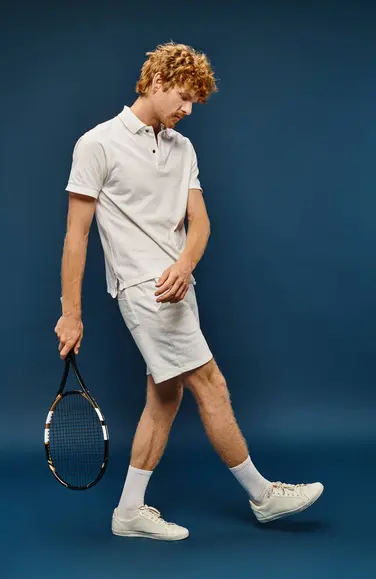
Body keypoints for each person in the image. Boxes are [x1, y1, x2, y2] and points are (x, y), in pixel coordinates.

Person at [54, 41, 323, 541]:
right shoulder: (97, 144)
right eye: (182, 96)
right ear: (155, 83)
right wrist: (72, 313)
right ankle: (263, 495)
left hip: (180, 283)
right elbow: (76, 235)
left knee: (166, 396)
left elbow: (200, 224)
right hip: (144, 288)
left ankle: (129, 512)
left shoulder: (183, 148)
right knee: (211, 384)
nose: (188, 109)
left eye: (194, 101)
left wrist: (185, 262)